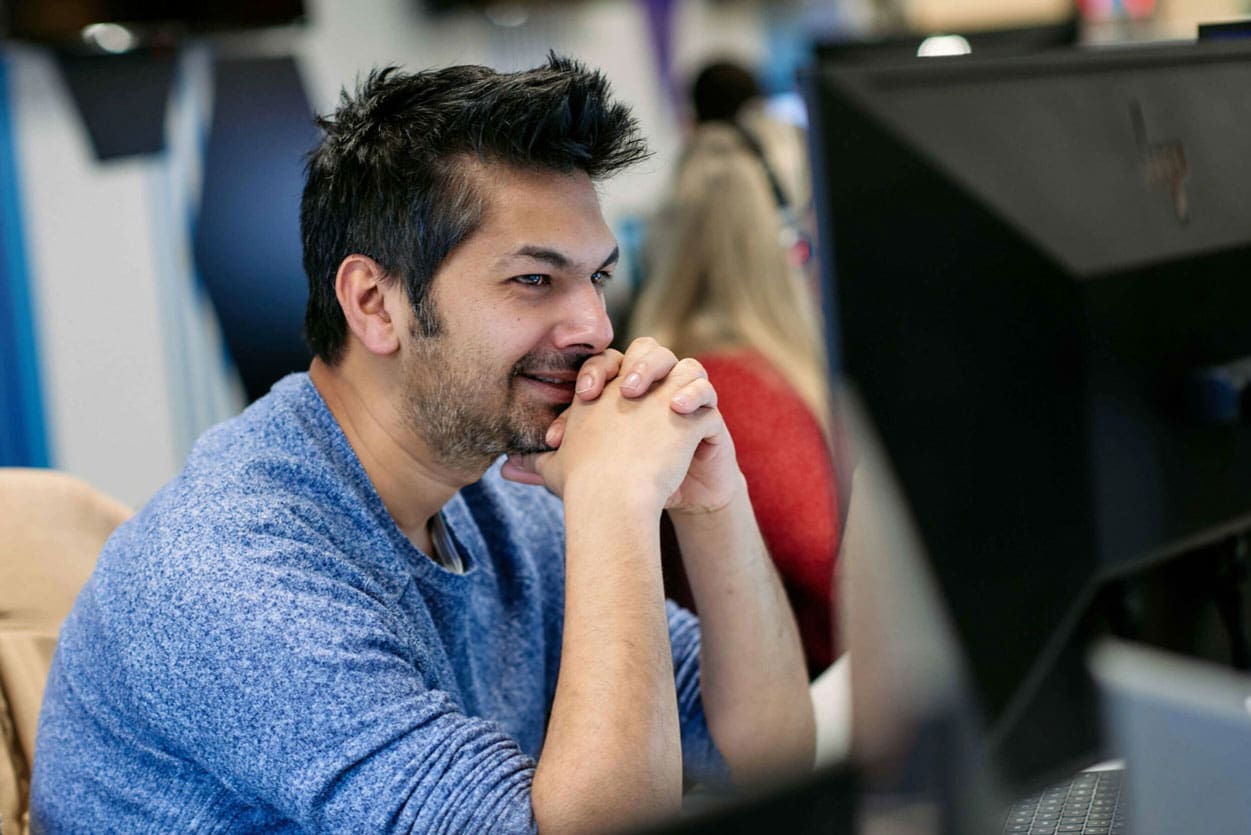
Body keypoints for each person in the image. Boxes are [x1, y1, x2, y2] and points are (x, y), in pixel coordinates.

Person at [30, 56, 814, 833]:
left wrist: (712, 499)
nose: (597, 330)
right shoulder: (234, 571)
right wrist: (614, 502)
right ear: (375, 304)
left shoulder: (498, 492)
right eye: (534, 281)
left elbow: (764, 754)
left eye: (597, 278)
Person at [627, 124, 840, 676]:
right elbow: (824, 561)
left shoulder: (697, 369)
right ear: (781, 245)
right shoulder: (737, 386)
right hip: (791, 691)